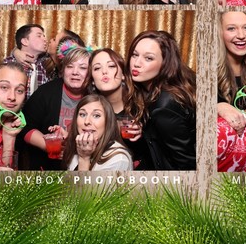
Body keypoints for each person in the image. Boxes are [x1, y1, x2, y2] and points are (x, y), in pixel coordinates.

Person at [123, 30, 196, 170]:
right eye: (135, 55)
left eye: (148, 58)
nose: (136, 63)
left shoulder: (165, 105)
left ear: (165, 64)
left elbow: (186, 164)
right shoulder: (147, 91)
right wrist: (143, 133)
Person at [21, 45, 92, 169]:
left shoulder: (96, 97)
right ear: (62, 70)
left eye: (82, 67)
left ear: (91, 72)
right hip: (46, 169)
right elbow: (25, 127)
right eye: (69, 66)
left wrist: (73, 150)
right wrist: (50, 146)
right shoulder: (46, 93)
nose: (75, 72)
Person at [217, 10, 246, 127]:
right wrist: (216, 107)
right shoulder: (207, 75)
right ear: (219, 33)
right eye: (231, 29)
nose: (241, 36)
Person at [63, 94, 132, 171]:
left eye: (96, 116)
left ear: (107, 121)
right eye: (82, 114)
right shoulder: (77, 148)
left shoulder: (118, 159)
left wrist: (84, 158)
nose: (87, 121)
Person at [3, 23, 50, 99]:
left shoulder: (47, 64)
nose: (45, 39)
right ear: (25, 41)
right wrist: (15, 51)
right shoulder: (7, 64)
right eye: (39, 36)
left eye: (44, 36)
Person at [89, 48, 127, 123]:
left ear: (123, 74)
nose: (104, 71)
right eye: (97, 68)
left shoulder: (142, 109)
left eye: (111, 66)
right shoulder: (87, 112)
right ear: (92, 80)